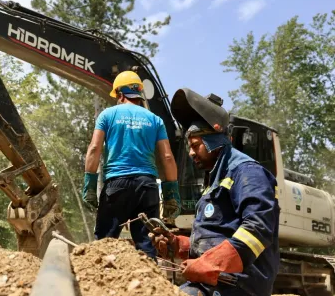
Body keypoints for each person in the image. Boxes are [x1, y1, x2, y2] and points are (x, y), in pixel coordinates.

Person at [150, 88, 280, 296]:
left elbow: (258, 229)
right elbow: (217, 235)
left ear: (214, 140)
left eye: (196, 145)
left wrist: (211, 264)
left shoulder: (247, 172)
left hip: (236, 286)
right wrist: (177, 245)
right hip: (215, 284)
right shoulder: (216, 180)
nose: (191, 152)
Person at [82, 71, 181, 259]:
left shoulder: (107, 115)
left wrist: (89, 184)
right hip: (147, 187)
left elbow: (94, 149)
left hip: (116, 186)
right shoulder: (155, 120)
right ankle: (149, 286)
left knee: (104, 244)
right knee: (147, 246)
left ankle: (100, 285)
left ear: (120, 94)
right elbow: (167, 157)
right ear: (138, 93)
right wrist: (171, 193)